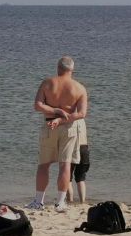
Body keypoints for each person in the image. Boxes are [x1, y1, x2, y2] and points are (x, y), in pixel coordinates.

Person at [27, 56, 88, 212]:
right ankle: (60, 202)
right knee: (65, 164)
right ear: (72, 70)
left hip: (49, 125)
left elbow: (38, 105)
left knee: (43, 165)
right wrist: (61, 119)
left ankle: (38, 201)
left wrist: (55, 111)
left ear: (58, 68)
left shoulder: (47, 83)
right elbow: (81, 113)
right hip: (68, 128)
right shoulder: (79, 88)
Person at [67, 119, 90, 204]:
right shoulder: (82, 119)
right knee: (81, 178)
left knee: (67, 178)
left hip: (72, 147)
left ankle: (70, 201)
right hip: (84, 148)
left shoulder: (68, 120)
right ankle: (82, 201)